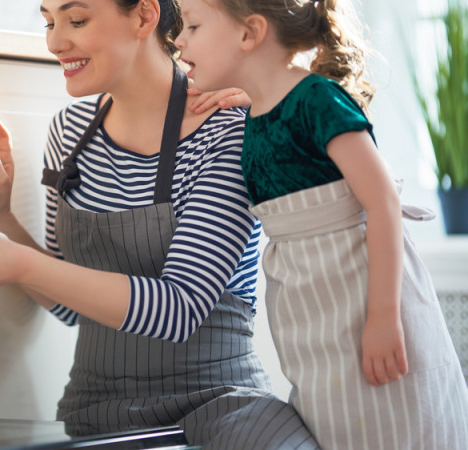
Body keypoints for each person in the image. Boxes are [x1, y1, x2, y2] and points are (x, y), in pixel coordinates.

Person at [0, 0, 319, 448]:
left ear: (144, 16)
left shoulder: (227, 131)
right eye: (48, 22)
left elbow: (179, 309)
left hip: (222, 414)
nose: (55, 41)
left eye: (76, 20)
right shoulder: (70, 132)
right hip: (99, 419)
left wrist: (19, 263)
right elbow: (69, 304)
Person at [174, 0, 468, 448]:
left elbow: (383, 201)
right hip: (314, 321)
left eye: (193, 25)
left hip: (367, 300)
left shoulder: (318, 100)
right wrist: (255, 94)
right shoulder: (260, 111)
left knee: (402, 422)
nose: (180, 40)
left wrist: (384, 319)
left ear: (249, 33)